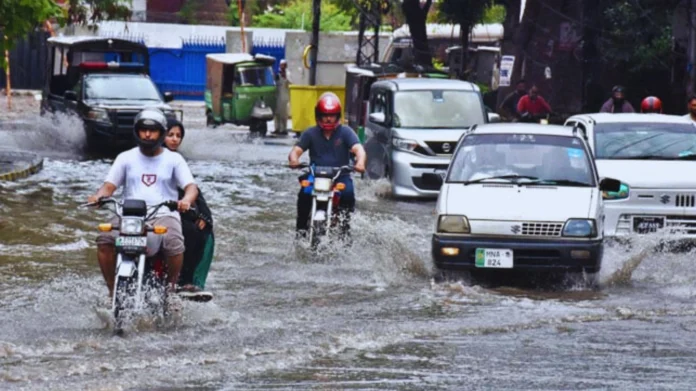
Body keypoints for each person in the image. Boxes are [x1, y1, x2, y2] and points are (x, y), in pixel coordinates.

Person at [88, 108, 199, 310]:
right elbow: (109, 186)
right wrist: (99, 196)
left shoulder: (174, 159)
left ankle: (171, 291)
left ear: (161, 133)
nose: (147, 135)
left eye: (153, 131)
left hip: (163, 214)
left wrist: (186, 200)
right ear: (137, 132)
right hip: (128, 215)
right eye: (143, 130)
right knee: (104, 240)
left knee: (174, 241)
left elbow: (191, 187)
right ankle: (112, 292)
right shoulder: (125, 158)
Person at [288, 92, 367, 241]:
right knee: (304, 195)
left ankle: (345, 231)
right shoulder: (310, 133)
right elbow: (296, 151)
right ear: (318, 115)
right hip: (315, 175)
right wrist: (294, 160)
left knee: (348, 194)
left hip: (340, 176)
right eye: (325, 115)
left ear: (338, 116)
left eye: (332, 115)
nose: (328, 118)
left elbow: (359, 149)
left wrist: (360, 162)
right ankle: (300, 232)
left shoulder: (346, 132)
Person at [164, 119, 215, 302]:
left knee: (198, 231)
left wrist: (203, 216)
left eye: (178, 136)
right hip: (150, 212)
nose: (174, 139)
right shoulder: (140, 157)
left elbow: (193, 190)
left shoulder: (179, 162)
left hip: (175, 212)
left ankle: (185, 281)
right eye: (170, 135)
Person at [273, 60, 291, 136]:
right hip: (278, 97)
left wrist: (285, 77)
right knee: (277, 114)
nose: (282, 67)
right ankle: (277, 128)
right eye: (281, 65)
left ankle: (284, 129)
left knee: (284, 114)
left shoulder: (288, 74)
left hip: (285, 97)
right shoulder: (277, 75)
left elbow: (290, 83)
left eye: (284, 65)